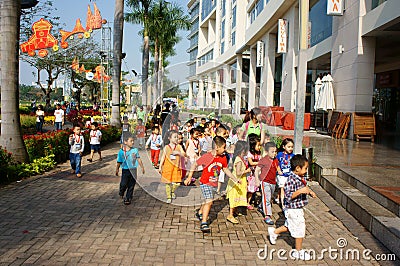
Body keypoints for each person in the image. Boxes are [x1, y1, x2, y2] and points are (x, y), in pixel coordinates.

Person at [184, 136, 240, 232]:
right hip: (205, 182)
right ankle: (204, 223)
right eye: (223, 147)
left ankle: (201, 211)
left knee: (207, 201)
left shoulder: (222, 158)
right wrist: (189, 177)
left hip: (214, 184)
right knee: (209, 201)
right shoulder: (207, 156)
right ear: (217, 147)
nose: (225, 150)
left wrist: (234, 179)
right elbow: (195, 164)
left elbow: (225, 169)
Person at [268, 155, 317, 260]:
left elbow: (304, 187)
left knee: (290, 225)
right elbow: (289, 195)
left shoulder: (299, 177)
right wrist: (300, 191)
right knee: (299, 228)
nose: (306, 170)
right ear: (298, 168)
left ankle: (274, 232)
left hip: (296, 208)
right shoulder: (291, 179)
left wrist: (309, 191)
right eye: (305, 168)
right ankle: (297, 251)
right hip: (293, 209)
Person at [255, 142, 283, 225]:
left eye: (275, 151)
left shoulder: (275, 160)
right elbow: (257, 170)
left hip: (273, 182)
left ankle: (261, 206)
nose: (274, 153)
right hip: (265, 182)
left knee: (268, 197)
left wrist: (279, 171)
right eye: (272, 152)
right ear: (267, 152)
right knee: (267, 198)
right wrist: (257, 180)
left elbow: (277, 166)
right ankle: (267, 215)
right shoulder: (264, 160)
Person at [116, 132, 145, 205]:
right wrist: (117, 169)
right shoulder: (121, 152)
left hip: (133, 169)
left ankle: (128, 197)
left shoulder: (135, 150)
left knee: (131, 185)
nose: (132, 142)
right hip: (125, 170)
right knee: (123, 184)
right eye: (131, 141)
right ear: (125, 142)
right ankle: (121, 191)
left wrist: (142, 167)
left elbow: (138, 158)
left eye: (133, 141)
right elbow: (119, 161)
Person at [225, 141, 251, 224]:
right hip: (237, 181)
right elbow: (238, 172)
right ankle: (230, 215)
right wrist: (247, 170)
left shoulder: (239, 158)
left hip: (240, 181)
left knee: (237, 196)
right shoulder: (239, 160)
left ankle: (234, 211)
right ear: (243, 150)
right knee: (233, 198)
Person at [159, 130, 186, 203]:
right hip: (167, 168)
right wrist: (160, 166)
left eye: (177, 137)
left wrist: (178, 153)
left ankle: (172, 191)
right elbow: (163, 157)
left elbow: (184, 154)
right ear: (169, 138)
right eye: (175, 137)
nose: (177, 138)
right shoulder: (166, 147)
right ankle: (169, 197)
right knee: (168, 183)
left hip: (177, 168)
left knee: (177, 183)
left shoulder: (179, 146)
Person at [276, 138, 295, 205]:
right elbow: (276, 163)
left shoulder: (293, 156)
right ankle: (283, 203)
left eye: (292, 147)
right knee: (282, 188)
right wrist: (278, 170)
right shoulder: (280, 154)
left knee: (286, 188)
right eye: (289, 147)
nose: (290, 148)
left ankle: (279, 198)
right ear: (284, 147)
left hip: (289, 174)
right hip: (281, 175)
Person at [246, 134, 262, 210]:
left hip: (255, 175)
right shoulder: (249, 153)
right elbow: (251, 163)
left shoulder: (258, 154)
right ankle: (244, 202)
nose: (259, 147)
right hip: (249, 174)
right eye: (258, 145)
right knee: (247, 189)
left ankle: (248, 202)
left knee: (252, 190)